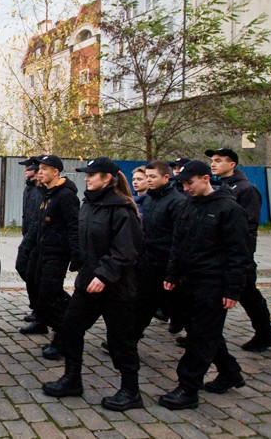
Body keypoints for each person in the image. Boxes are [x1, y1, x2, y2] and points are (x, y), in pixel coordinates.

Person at [43, 157, 143, 412]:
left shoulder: (122, 208)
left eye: (92, 174)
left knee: (120, 341)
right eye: (86, 174)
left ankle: (131, 391)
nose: (87, 178)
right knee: (70, 329)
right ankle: (72, 379)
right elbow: (82, 238)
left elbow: (126, 250)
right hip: (88, 282)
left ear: (107, 178)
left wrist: (104, 275)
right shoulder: (88, 203)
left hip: (115, 287)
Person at [160, 160, 250, 410]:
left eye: (189, 183)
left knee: (200, 338)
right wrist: (172, 274)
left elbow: (239, 254)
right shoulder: (187, 206)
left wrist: (233, 289)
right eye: (183, 184)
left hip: (213, 285)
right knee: (206, 332)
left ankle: (188, 388)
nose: (186, 188)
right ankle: (230, 372)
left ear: (205, 178)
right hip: (188, 282)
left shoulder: (228, 209)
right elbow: (178, 243)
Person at [207, 147, 271, 352]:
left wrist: (241, 256)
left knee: (249, 294)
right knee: (245, 295)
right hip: (223, 253)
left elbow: (248, 226)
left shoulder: (245, 189)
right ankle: (264, 333)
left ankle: (265, 333)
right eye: (212, 160)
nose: (213, 164)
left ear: (232, 164)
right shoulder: (221, 187)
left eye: (219, 160)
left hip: (240, 255)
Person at [16, 155, 79, 360]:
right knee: (40, 292)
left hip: (57, 254)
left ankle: (63, 339)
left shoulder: (66, 196)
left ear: (56, 172)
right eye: (39, 168)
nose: (40, 172)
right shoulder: (46, 193)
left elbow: (73, 226)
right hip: (42, 252)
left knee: (50, 297)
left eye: (45, 169)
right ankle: (58, 320)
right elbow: (37, 223)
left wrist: (76, 256)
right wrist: (27, 247)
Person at [132, 161, 186, 342]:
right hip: (148, 262)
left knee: (178, 302)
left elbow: (179, 239)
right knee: (142, 303)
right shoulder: (149, 199)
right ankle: (129, 338)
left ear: (166, 177)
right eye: (147, 177)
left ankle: (189, 329)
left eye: (153, 177)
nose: (149, 180)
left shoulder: (177, 201)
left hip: (167, 263)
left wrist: (174, 270)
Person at [16, 157, 44, 330]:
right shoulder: (29, 188)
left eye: (28, 168)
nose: (25, 170)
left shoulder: (40, 190)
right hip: (28, 236)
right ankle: (37, 308)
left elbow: (37, 218)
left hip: (36, 240)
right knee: (25, 270)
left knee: (34, 276)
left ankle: (41, 313)